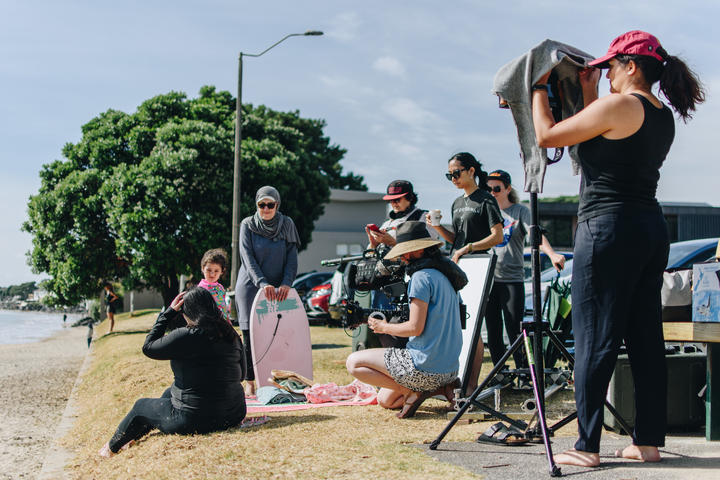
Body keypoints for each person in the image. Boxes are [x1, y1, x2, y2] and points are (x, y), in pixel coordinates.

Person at [531, 30, 704, 467]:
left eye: (610, 65)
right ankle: (647, 442)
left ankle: (586, 446)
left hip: (608, 227)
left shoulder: (620, 104)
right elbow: (605, 137)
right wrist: (588, 91)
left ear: (632, 65)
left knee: (594, 335)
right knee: (645, 337)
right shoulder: (657, 112)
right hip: (648, 227)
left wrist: (536, 87)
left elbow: (548, 136)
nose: (604, 72)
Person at [98, 287, 246, 457]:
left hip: (195, 420)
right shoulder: (231, 334)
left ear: (187, 311)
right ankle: (132, 436)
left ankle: (110, 449)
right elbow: (241, 375)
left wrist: (168, 313)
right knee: (169, 392)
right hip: (234, 414)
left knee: (140, 407)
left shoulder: (186, 336)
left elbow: (148, 347)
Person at [346, 221, 465, 418]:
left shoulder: (420, 277)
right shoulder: (445, 275)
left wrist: (383, 327)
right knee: (386, 400)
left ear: (416, 251)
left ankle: (413, 391)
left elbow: (414, 328)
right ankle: (437, 389)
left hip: (424, 366)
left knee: (354, 362)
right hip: (449, 369)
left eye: (404, 252)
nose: (402, 257)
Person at [427, 152, 504, 393]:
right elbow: (457, 240)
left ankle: (471, 386)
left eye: (456, 173)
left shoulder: (485, 199)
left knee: (472, 326)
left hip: (479, 265)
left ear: (471, 171)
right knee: (458, 324)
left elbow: (497, 236)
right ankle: (455, 381)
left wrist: (469, 247)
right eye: (449, 175)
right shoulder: (457, 203)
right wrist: (438, 227)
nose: (453, 178)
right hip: (459, 266)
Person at [485, 169, 565, 387]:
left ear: (508, 189)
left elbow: (536, 237)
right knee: (492, 329)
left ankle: (524, 373)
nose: (492, 193)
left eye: (497, 188)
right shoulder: (485, 211)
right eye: (488, 188)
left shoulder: (520, 211)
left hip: (511, 279)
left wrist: (552, 253)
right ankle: (499, 374)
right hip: (488, 280)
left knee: (514, 328)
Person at [234, 186, 300, 396]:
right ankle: (250, 380)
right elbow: (247, 257)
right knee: (250, 336)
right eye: (261, 205)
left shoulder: (287, 224)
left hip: (279, 289)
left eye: (270, 204)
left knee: (278, 333)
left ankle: (276, 379)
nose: (266, 208)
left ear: (277, 205)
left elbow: (291, 257)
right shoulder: (247, 224)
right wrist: (262, 283)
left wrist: (287, 282)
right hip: (251, 286)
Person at [197, 248, 231, 323]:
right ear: (203, 269)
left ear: (222, 271)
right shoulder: (200, 289)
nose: (212, 274)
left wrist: (228, 322)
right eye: (209, 270)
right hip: (208, 326)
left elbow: (223, 308)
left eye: (216, 271)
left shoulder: (220, 288)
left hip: (222, 325)